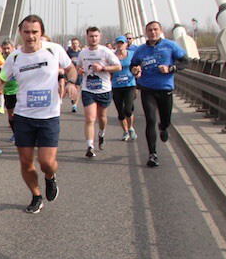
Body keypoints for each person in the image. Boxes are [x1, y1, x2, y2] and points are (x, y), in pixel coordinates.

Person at [0, 15, 79, 214]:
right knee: (26, 161)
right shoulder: (15, 57)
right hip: (24, 116)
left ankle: (50, 177)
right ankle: (36, 196)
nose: (31, 36)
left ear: (41, 32)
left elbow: (71, 69)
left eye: (35, 32)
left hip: (49, 116)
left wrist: (71, 83)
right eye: (27, 32)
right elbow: (1, 78)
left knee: (46, 163)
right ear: (20, 33)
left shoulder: (54, 50)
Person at [130, 20, 188, 167]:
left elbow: (186, 62)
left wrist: (170, 68)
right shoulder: (141, 50)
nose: (153, 32)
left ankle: (164, 127)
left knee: (165, 119)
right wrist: (134, 70)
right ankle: (153, 154)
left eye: (155, 29)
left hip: (165, 89)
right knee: (150, 120)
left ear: (160, 31)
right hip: (147, 89)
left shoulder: (170, 45)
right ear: (146, 33)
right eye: (150, 30)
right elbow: (133, 65)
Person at [76, 27, 122, 158]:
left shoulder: (105, 51)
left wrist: (103, 68)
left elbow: (118, 67)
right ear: (87, 37)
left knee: (102, 117)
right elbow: (78, 66)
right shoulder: (83, 53)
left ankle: (101, 133)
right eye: (91, 36)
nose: (93, 38)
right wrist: (79, 70)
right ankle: (90, 146)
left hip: (104, 89)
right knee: (90, 118)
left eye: (96, 36)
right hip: (88, 90)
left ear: (99, 37)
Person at [111, 36, 138, 142]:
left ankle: (130, 128)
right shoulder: (112, 56)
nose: (120, 45)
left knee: (128, 109)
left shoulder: (132, 54)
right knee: (120, 112)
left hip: (129, 85)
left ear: (126, 44)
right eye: (118, 43)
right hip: (116, 86)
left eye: (122, 43)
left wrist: (137, 71)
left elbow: (138, 65)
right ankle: (125, 131)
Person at [0, 40, 19, 142]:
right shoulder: (0, 59)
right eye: (4, 48)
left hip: (19, 89)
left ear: (13, 48)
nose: (6, 51)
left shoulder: (18, 57)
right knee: (11, 114)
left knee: (21, 113)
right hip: (7, 90)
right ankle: (15, 133)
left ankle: (23, 134)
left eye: (8, 48)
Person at [65, 38, 82, 113]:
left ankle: (75, 105)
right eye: (73, 43)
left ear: (79, 44)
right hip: (71, 74)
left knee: (77, 89)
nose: (75, 45)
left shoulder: (81, 53)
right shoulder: (68, 53)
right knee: (71, 89)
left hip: (79, 73)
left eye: (76, 43)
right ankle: (72, 100)